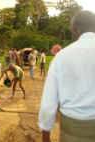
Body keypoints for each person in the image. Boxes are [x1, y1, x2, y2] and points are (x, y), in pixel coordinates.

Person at [39, 11, 95, 142]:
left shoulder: (62, 57)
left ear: (76, 29)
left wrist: (45, 134)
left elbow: (48, 103)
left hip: (73, 132)